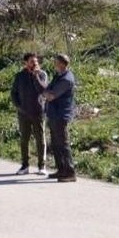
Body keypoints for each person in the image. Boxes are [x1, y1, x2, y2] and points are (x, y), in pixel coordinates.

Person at [9, 52, 47, 175]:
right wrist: (19, 106)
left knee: (40, 139)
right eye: (32, 61)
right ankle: (25, 166)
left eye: (36, 61)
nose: (35, 63)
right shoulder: (19, 76)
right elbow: (13, 93)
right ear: (25, 63)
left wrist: (36, 76)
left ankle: (42, 166)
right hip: (23, 113)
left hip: (38, 112)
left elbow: (43, 91)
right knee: (24, 139)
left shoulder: (42, 74)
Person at [40, 53, 77, 182]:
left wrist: (46, 93)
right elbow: (47, 89)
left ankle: (70, 172)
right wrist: (46, 92)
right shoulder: (58, 75)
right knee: (55, 144)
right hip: (53, 113)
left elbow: (50, 95)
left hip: (61, 115)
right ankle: (61, 170)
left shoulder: (67, 79)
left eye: (56, 61)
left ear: (62, 63)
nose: (54, 63)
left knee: (63, 144)